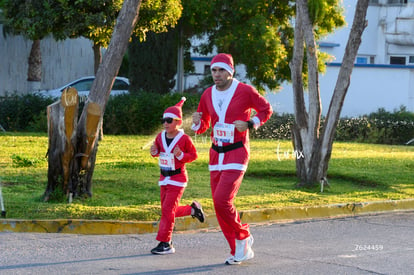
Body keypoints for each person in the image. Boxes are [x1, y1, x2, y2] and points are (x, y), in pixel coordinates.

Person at [192, 53, 273, 265]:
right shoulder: (207, 94)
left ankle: (243, 235)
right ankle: (238, 248)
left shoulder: (245, 91)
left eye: (221, 70)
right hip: (215, 154)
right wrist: (196, 122)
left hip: (237, 153)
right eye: (213, 70)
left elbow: (266, 109)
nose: (216, 74)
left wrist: (250, 123)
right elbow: (203, 126)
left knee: (222, 200)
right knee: (219, 207)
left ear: (230, 71)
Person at [150, 97, 205, 255]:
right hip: (164, 178)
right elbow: (157, 151)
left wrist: (181, 155)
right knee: (167, 210)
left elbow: (193, 155)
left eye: (169, 120)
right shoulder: (160, 137)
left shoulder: (184, 139)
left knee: (167, 210)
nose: (165, 123)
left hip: (178, 179)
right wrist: (154, 152)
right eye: (164, 120)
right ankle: (193, 210)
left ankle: (166, 243)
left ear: (178, 122)